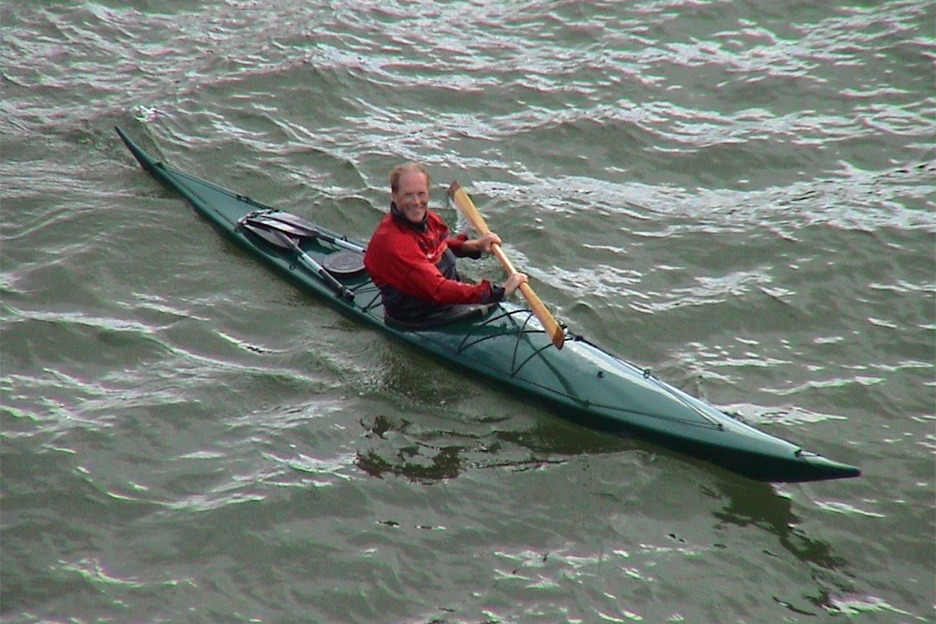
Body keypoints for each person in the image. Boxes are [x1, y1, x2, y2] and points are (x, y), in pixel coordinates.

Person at [364, 162, 527, 324]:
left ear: (428, 193)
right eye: (408, 195)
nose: (416, 202)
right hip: (420, 317)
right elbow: (437, 288)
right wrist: (498, 292)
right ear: (394, 196)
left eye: (421, 194)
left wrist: (473, 246)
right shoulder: (394, 242)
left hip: (446, 301)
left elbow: (437, 245)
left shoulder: (429, 219)